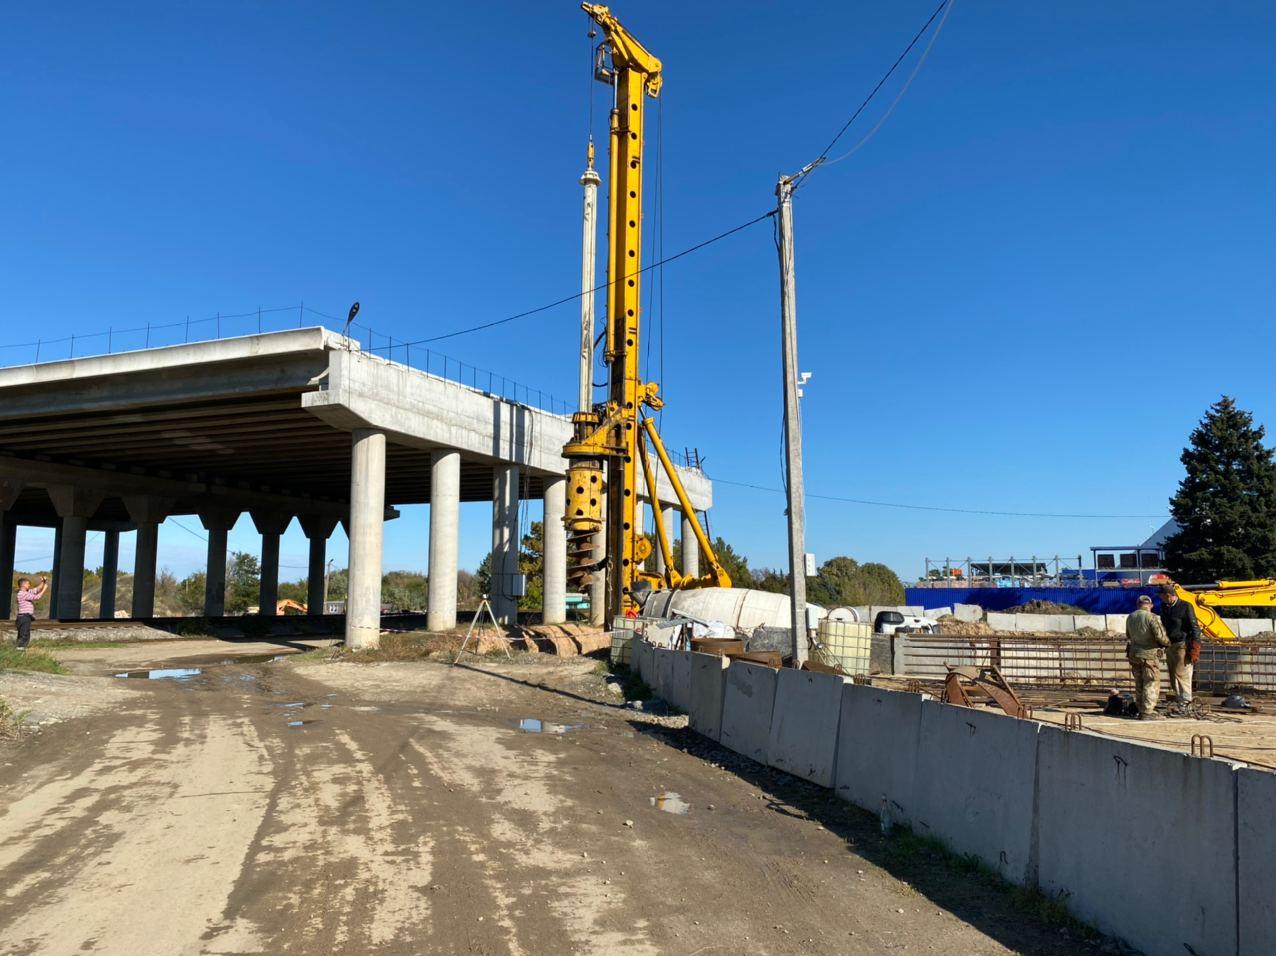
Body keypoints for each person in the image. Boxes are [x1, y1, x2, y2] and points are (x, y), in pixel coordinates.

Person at [1126, 594, 1169, 719]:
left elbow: (1128, 635)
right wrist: (1168, 644)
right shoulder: (1152, 617)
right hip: (1149, 655)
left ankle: (1141, 709)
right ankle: (1148, 711)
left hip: (1134, 654)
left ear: (1138, 605)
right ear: (1150, 605)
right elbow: (1160, 636)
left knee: (1139, 682)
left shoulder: (1131, 617)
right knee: (1151, 682)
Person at [1159, 584, 1201, 704]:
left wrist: (1195, 647)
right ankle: (1179, 702)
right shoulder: (1164, 607)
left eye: (1162, 596)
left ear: (1168, 596)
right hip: (1170, 645)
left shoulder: (1185, 606)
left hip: (1182, 644)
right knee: (1173, 677)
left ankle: (1186, 703)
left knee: (1183, 675)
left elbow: (1195, 628)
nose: (1160, 599)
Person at [14, 575, 49, 651]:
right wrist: (45, 589)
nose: (29, 585)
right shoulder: (22, 594)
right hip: (24, 617)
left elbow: (37, 589)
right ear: (23, 585)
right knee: (24, 635)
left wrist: (43, 581)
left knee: (24, 634)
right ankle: (20, 651)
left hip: (25, 617)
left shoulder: (26, 591)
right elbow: (36, 597)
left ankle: (20, 649)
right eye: (28, 584)